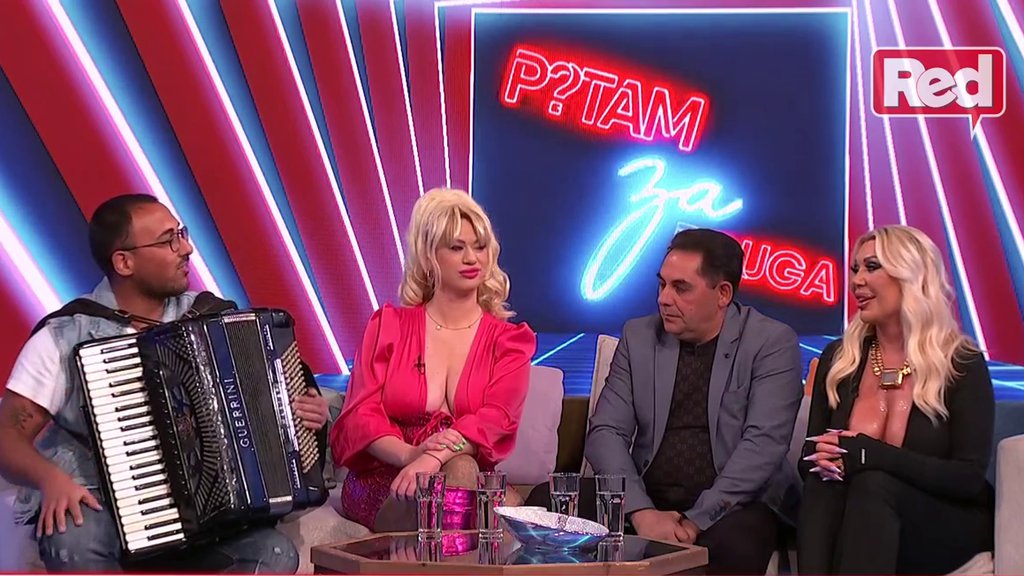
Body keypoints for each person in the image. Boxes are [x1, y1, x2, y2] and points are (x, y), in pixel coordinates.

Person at [0, 194, 330, 573]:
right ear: (124, 262)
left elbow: (265, 409)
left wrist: (304, 416)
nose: (186, 249)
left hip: (207, 518)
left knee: (274, 554)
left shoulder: (211, 318)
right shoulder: (64, 336)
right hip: (102, 506)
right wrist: (50, 479)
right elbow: (7, 437)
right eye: (168, 240)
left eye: (181, 234)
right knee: (72, 539)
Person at [564, 228, 803, 575]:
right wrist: (640, 512)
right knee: (549, 505)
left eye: (681, 288)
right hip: (647, 495)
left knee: (735, 544)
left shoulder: (771, 342)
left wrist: (694, 521)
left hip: (733, 504)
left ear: (723, 294)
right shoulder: (639, 336)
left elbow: (763, 445)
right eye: (662, 285)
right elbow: (606, 432)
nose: (664, 298)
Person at [330, 188, 536, 532]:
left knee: (465, 472)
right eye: (456, 248)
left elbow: (496, 419)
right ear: (428, 257)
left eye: (480, 247)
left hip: (465, 474)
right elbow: (359, 416)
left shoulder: (510, 342)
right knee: (490, 511)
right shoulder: (389, 326)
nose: (471, 258)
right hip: (390, 476)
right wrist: (410, 455)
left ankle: (445, 550)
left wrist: (433, 456)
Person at [797, 225, 994, 575]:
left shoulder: (961, 362)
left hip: (941, 522)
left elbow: (967, 478)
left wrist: (869, 455)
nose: (857, 280)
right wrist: (823, 460)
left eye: (872, 267)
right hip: (860, 519)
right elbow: (807, 458)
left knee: (874, 484)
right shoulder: (839, 359)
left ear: (911, 275)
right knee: (821, 484)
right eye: (855, 268)